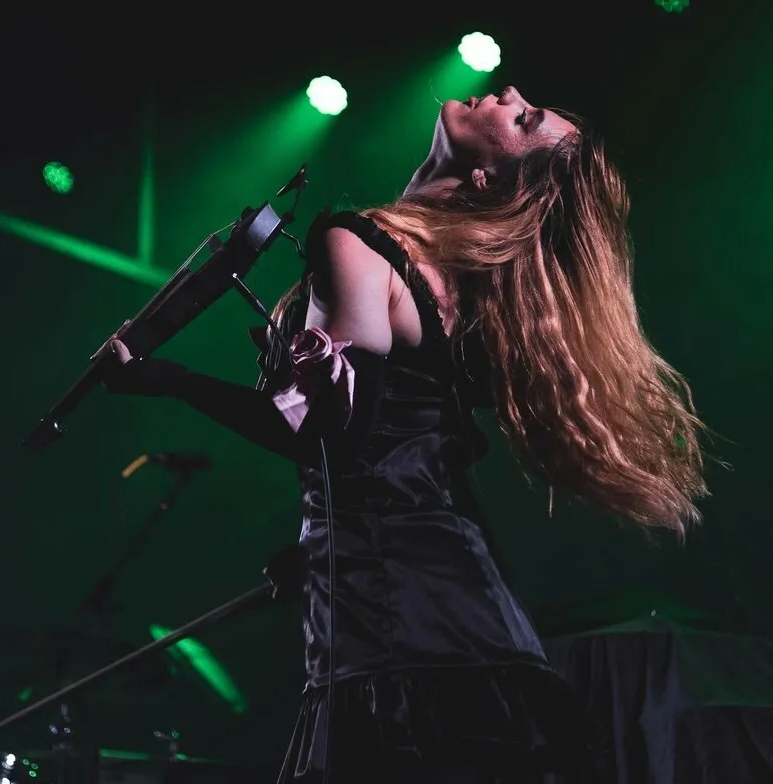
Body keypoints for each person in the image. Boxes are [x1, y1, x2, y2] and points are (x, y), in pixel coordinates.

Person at [99, 85, 708, 783]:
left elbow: (329, 434)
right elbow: (387, 440)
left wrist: (168, 378)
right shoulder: (460, 282)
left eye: (524, 119)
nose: (511, 93)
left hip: (399, 611)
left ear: (487, 178)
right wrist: (323, 544)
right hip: (450, 594)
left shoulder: (357, 242)